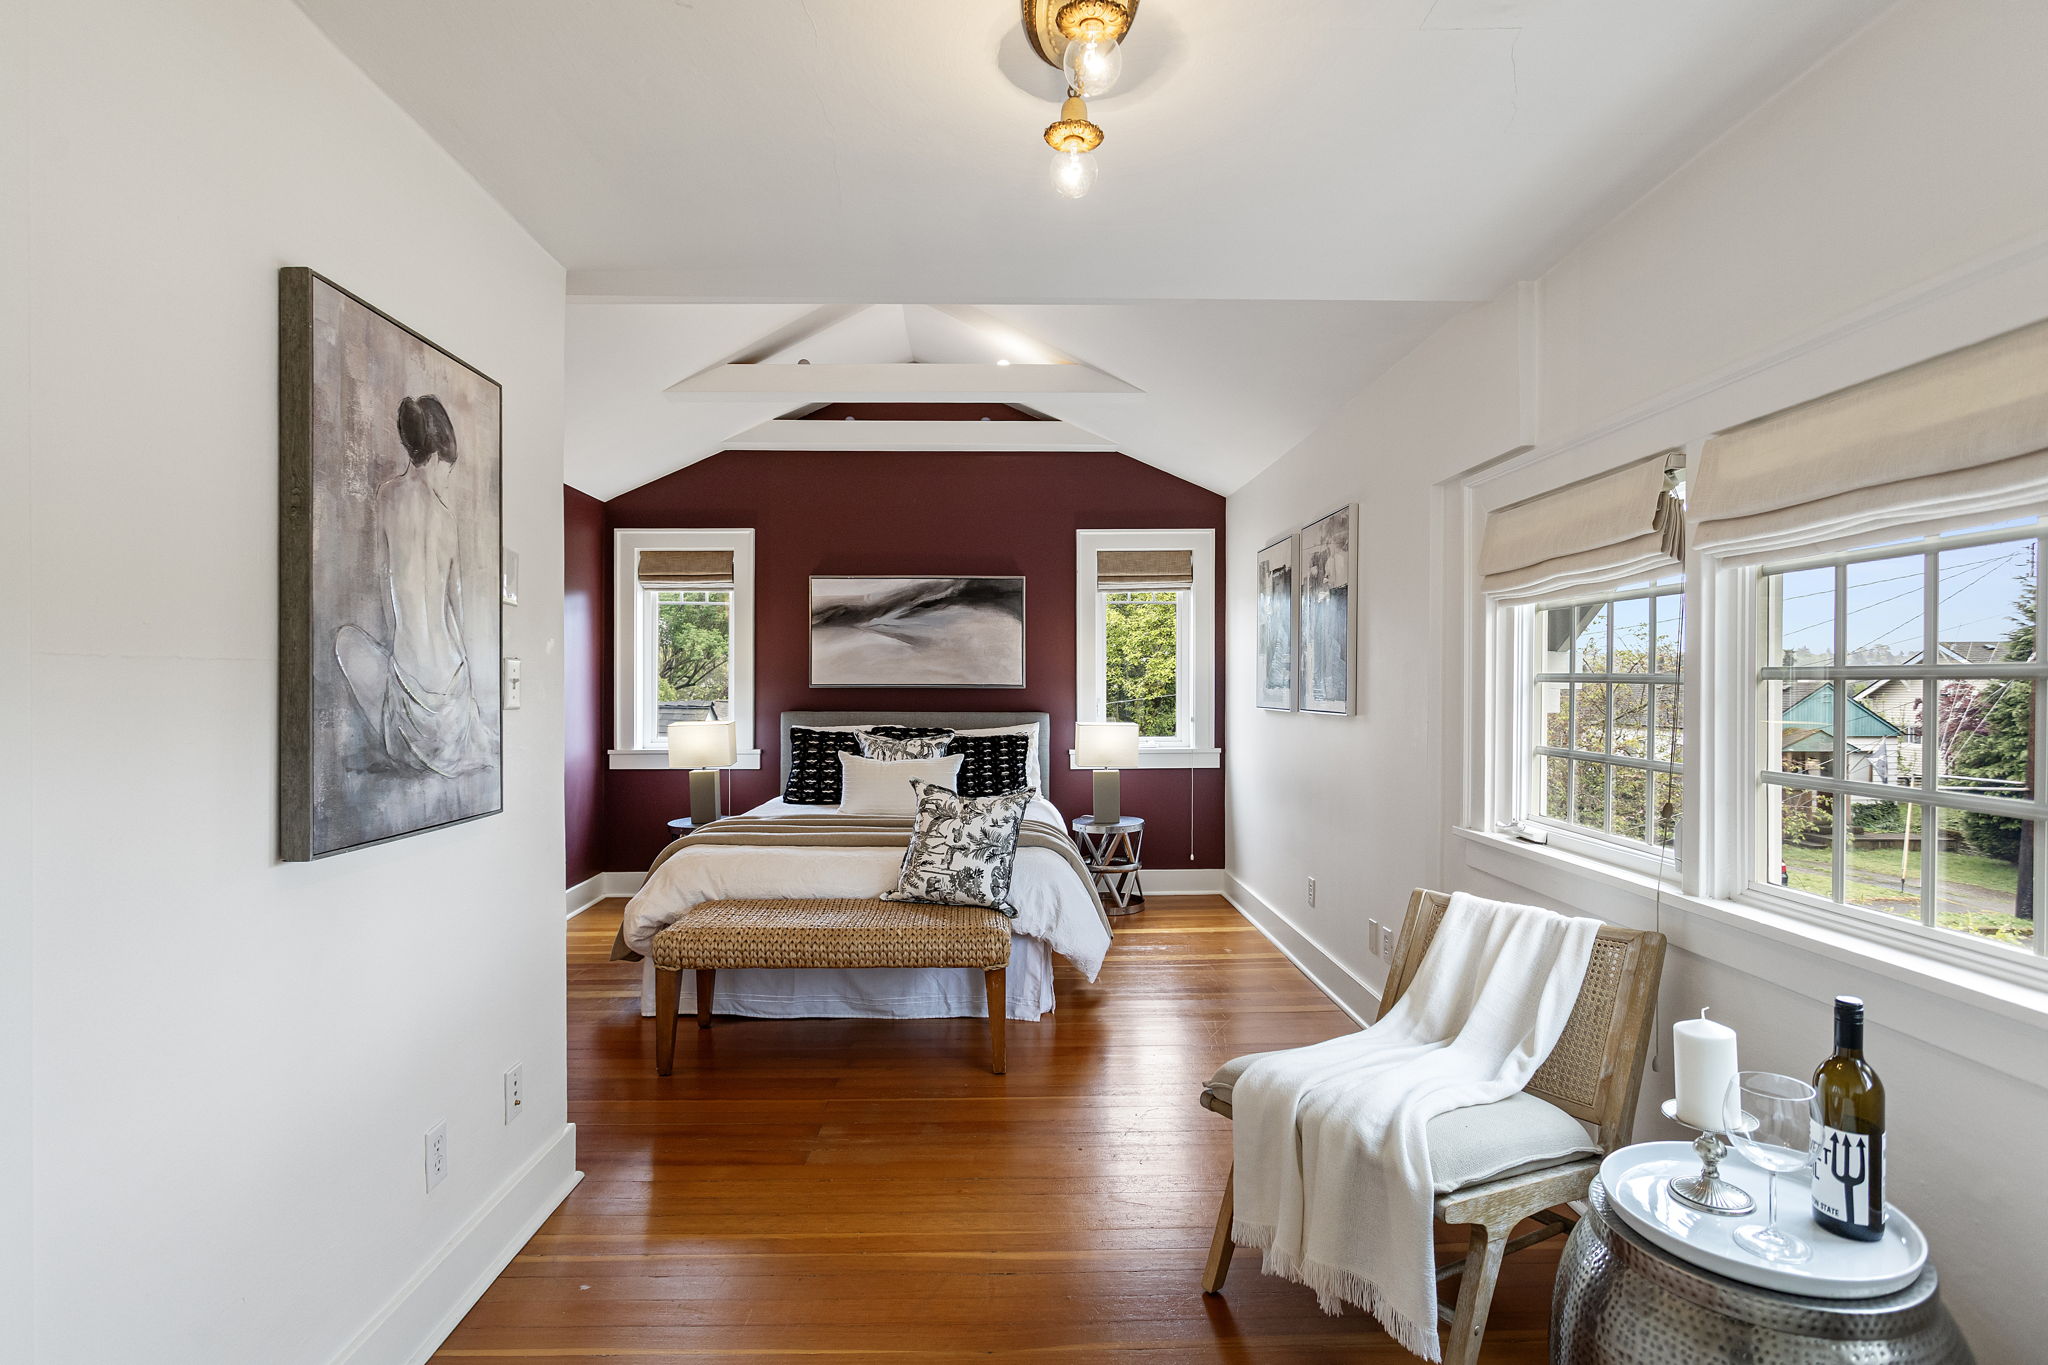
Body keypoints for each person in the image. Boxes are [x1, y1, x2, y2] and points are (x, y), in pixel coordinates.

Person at [335, 394, 496, 777]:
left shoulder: (388, 496)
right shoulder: (446, 519)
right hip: (452, 679)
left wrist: (400, 648)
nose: (447, 476)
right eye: (448, 467)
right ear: (439, 457)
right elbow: (454, 604)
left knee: (346, 639)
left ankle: (411, 736)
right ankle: (449, 725)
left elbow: (384, 582)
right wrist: (466, 682)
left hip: (411, 676)